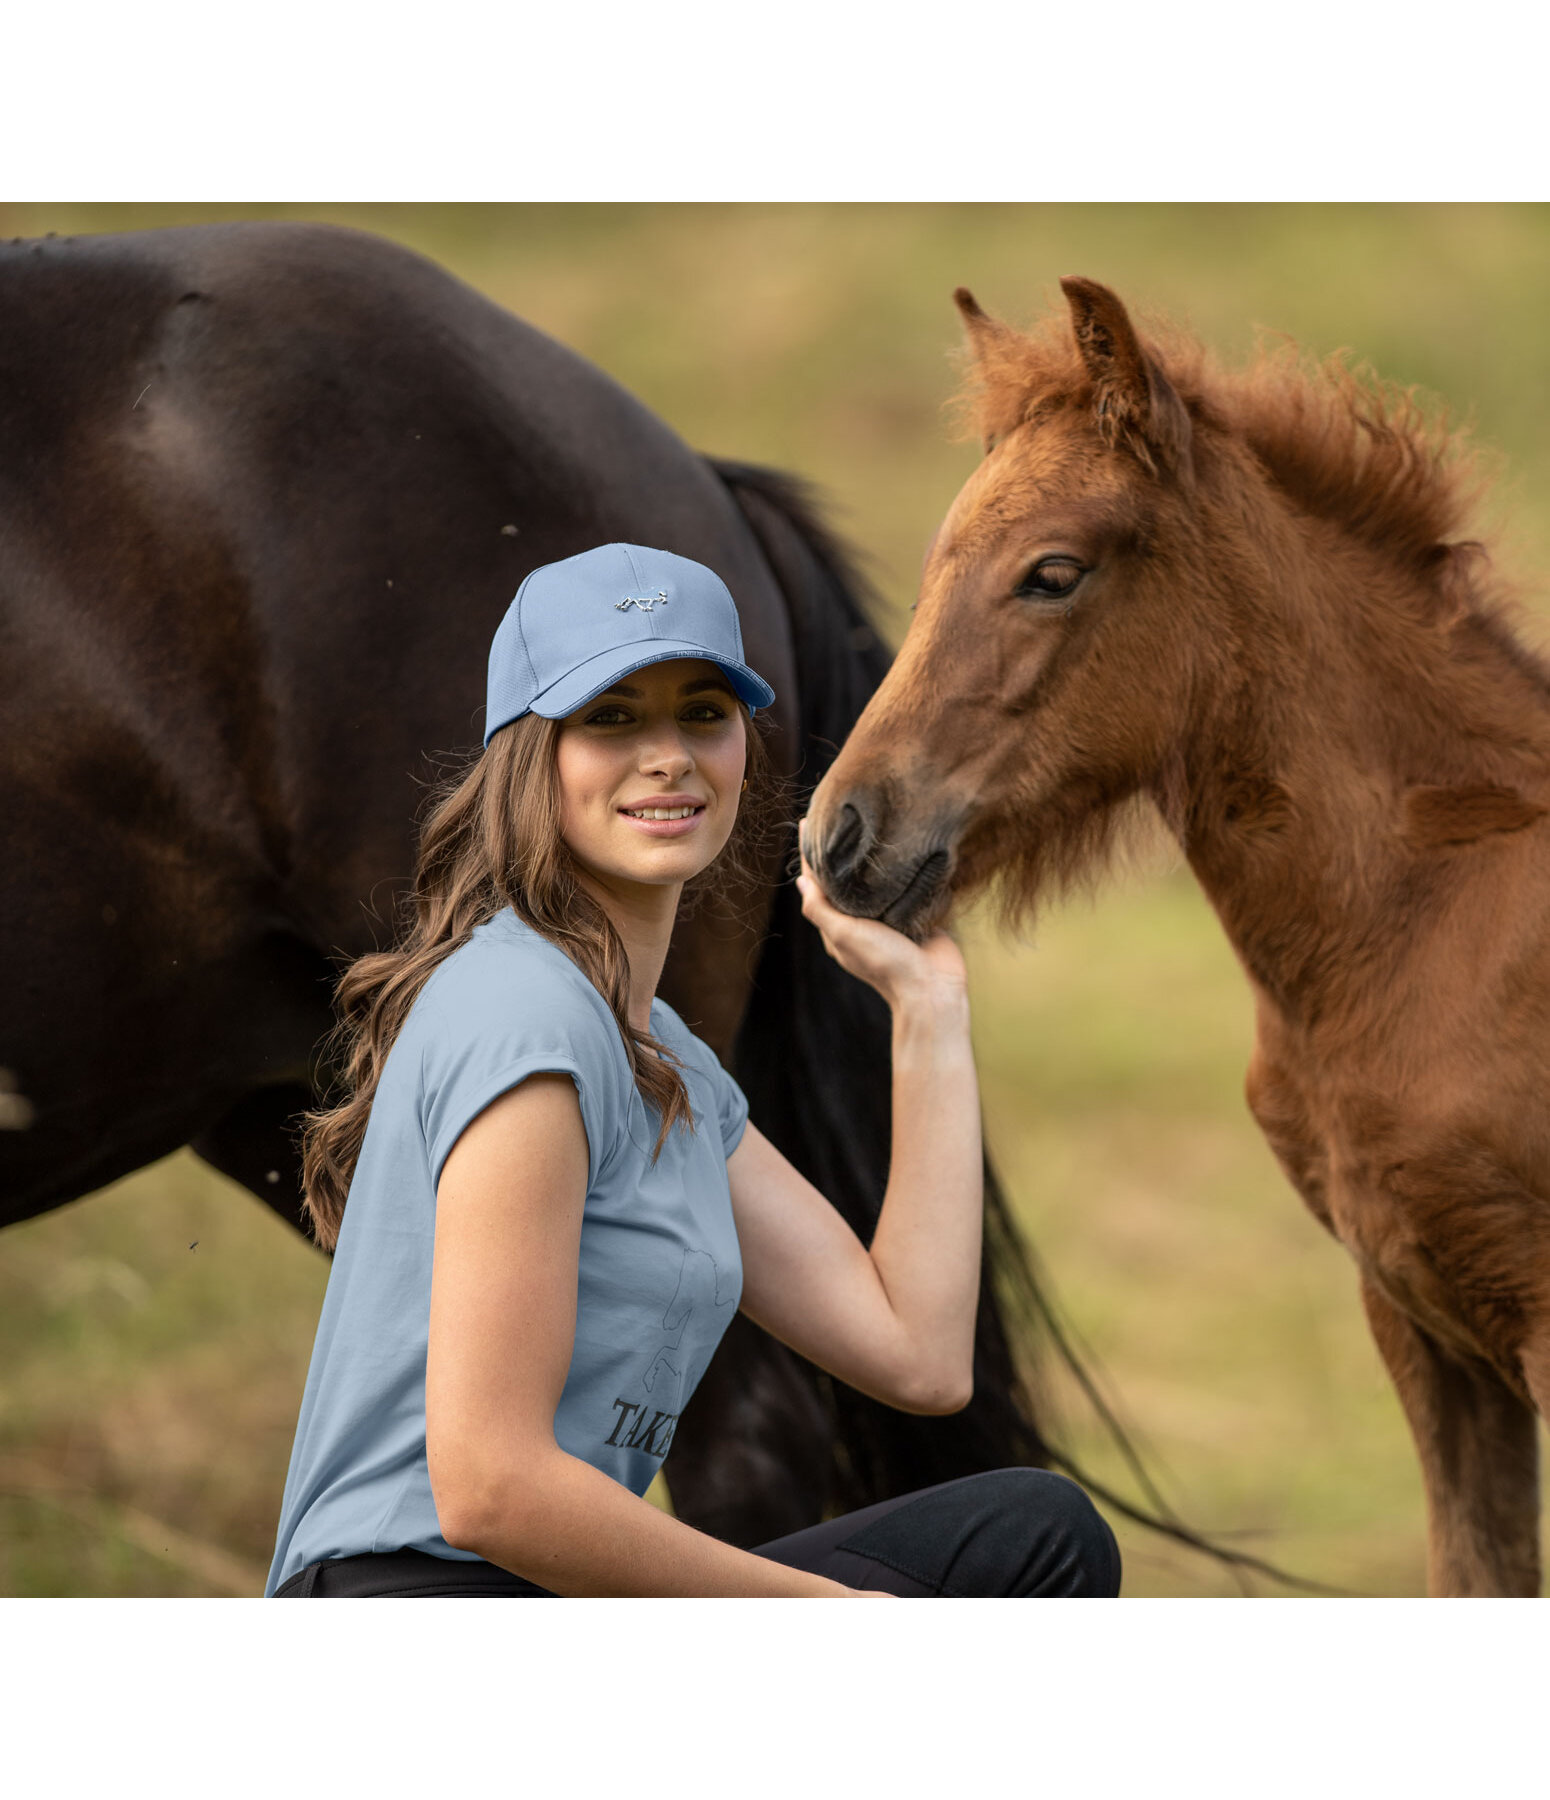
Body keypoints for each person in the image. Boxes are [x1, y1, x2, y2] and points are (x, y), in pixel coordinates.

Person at [266, 543, 1120, 1598]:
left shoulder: (653, 1052)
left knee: (1029, 1533)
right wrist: (828, 1617)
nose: (666, 754)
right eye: (611, 717)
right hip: (414, 1604)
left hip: (540, 1598)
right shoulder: (528, 1023)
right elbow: (488, 1487)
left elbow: (919, 1355)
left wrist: (927, 1010)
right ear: (532, 756)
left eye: (701, 713)